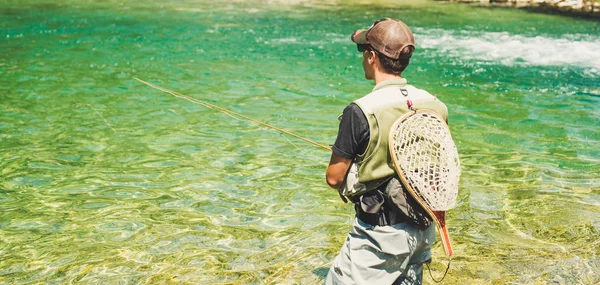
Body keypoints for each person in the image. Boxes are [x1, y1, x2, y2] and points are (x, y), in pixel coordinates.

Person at [324, 18, 450, 285]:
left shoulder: (359, 111)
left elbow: (334, 178)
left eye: (363, 52)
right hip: (424, 228)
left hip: (380, 237)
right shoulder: (435, 104)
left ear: (372, 57)